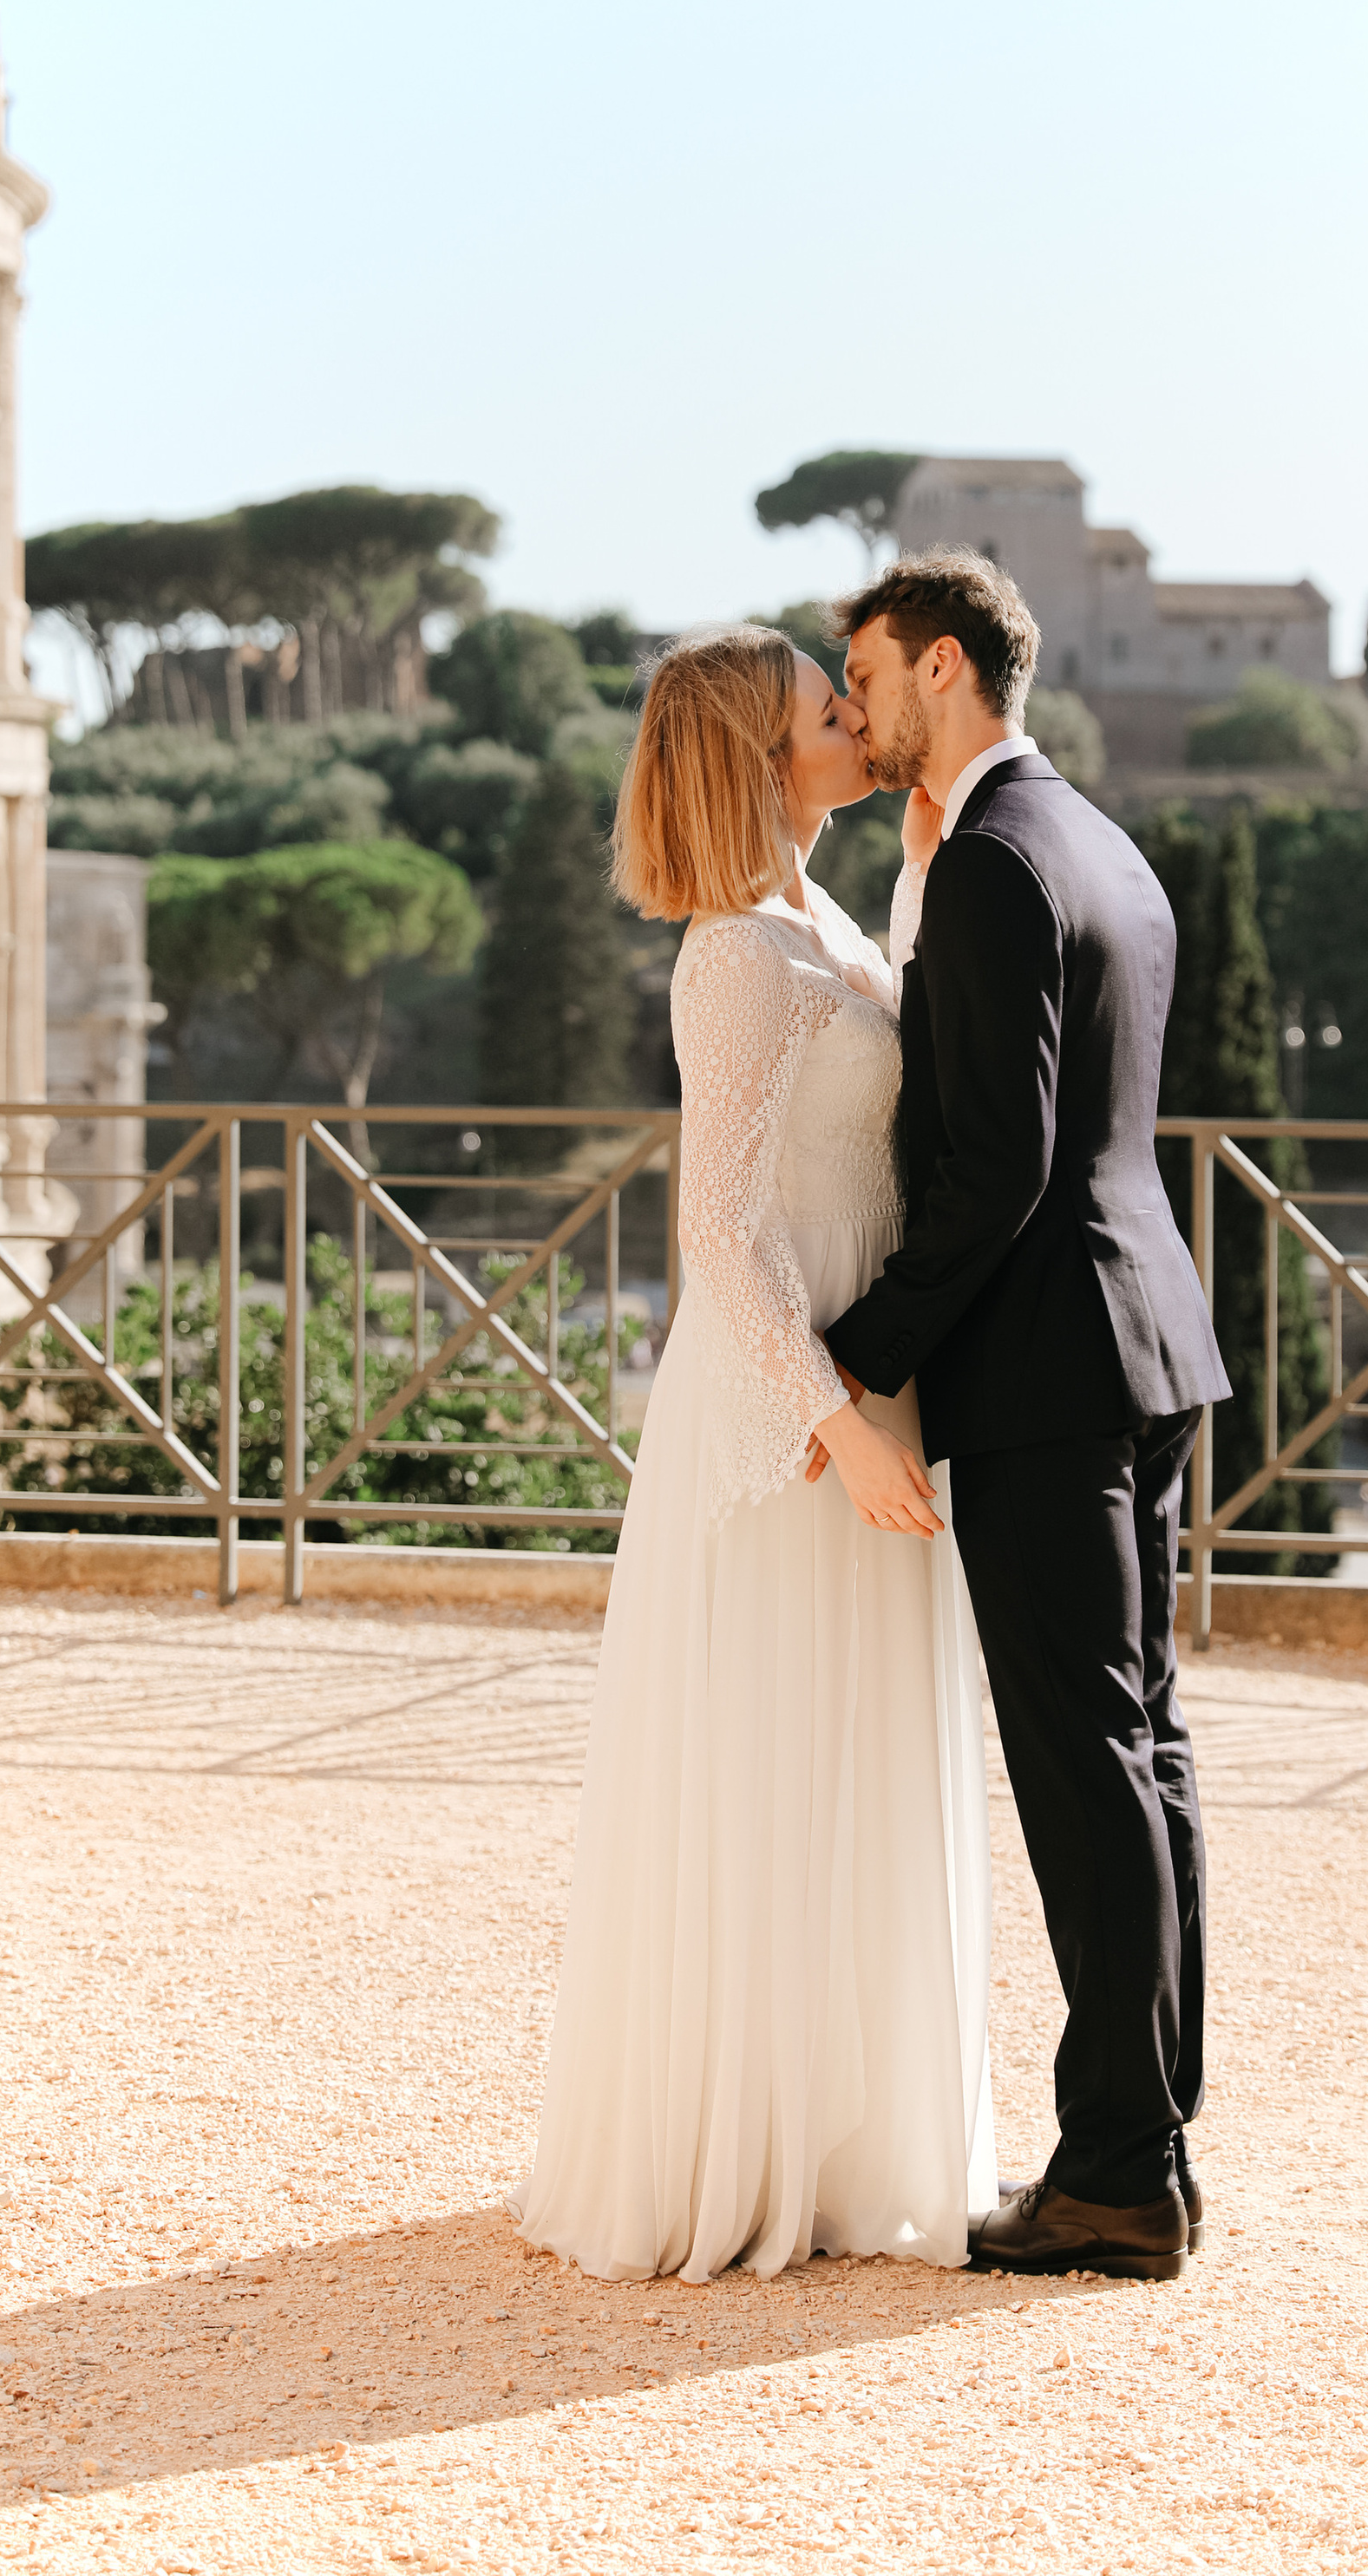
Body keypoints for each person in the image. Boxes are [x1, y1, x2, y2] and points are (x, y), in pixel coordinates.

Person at [513, 624, 995, 2281]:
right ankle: (742, 2153)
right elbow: (714, 1222)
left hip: (862, 1393)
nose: (856, 720)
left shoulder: (825, 920)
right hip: (784, 1424)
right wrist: (831, 1422)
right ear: (763, 754)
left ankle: (849, 2148)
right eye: (824, 707)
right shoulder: (732, 955)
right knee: (772, 1764)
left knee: (850, 1763)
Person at [825, 549, 1227, 2286]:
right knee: (1140, 1751)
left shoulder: (992, 864)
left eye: (865, 677)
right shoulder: (1094, 844)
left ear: (938, 666)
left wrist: (853, 1357)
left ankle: (1119, 2175)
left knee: (1084, 1771)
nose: (854, 712)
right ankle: (1148, 2141)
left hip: (1047, 1377)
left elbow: (990, 1173)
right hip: (1147, 1347)